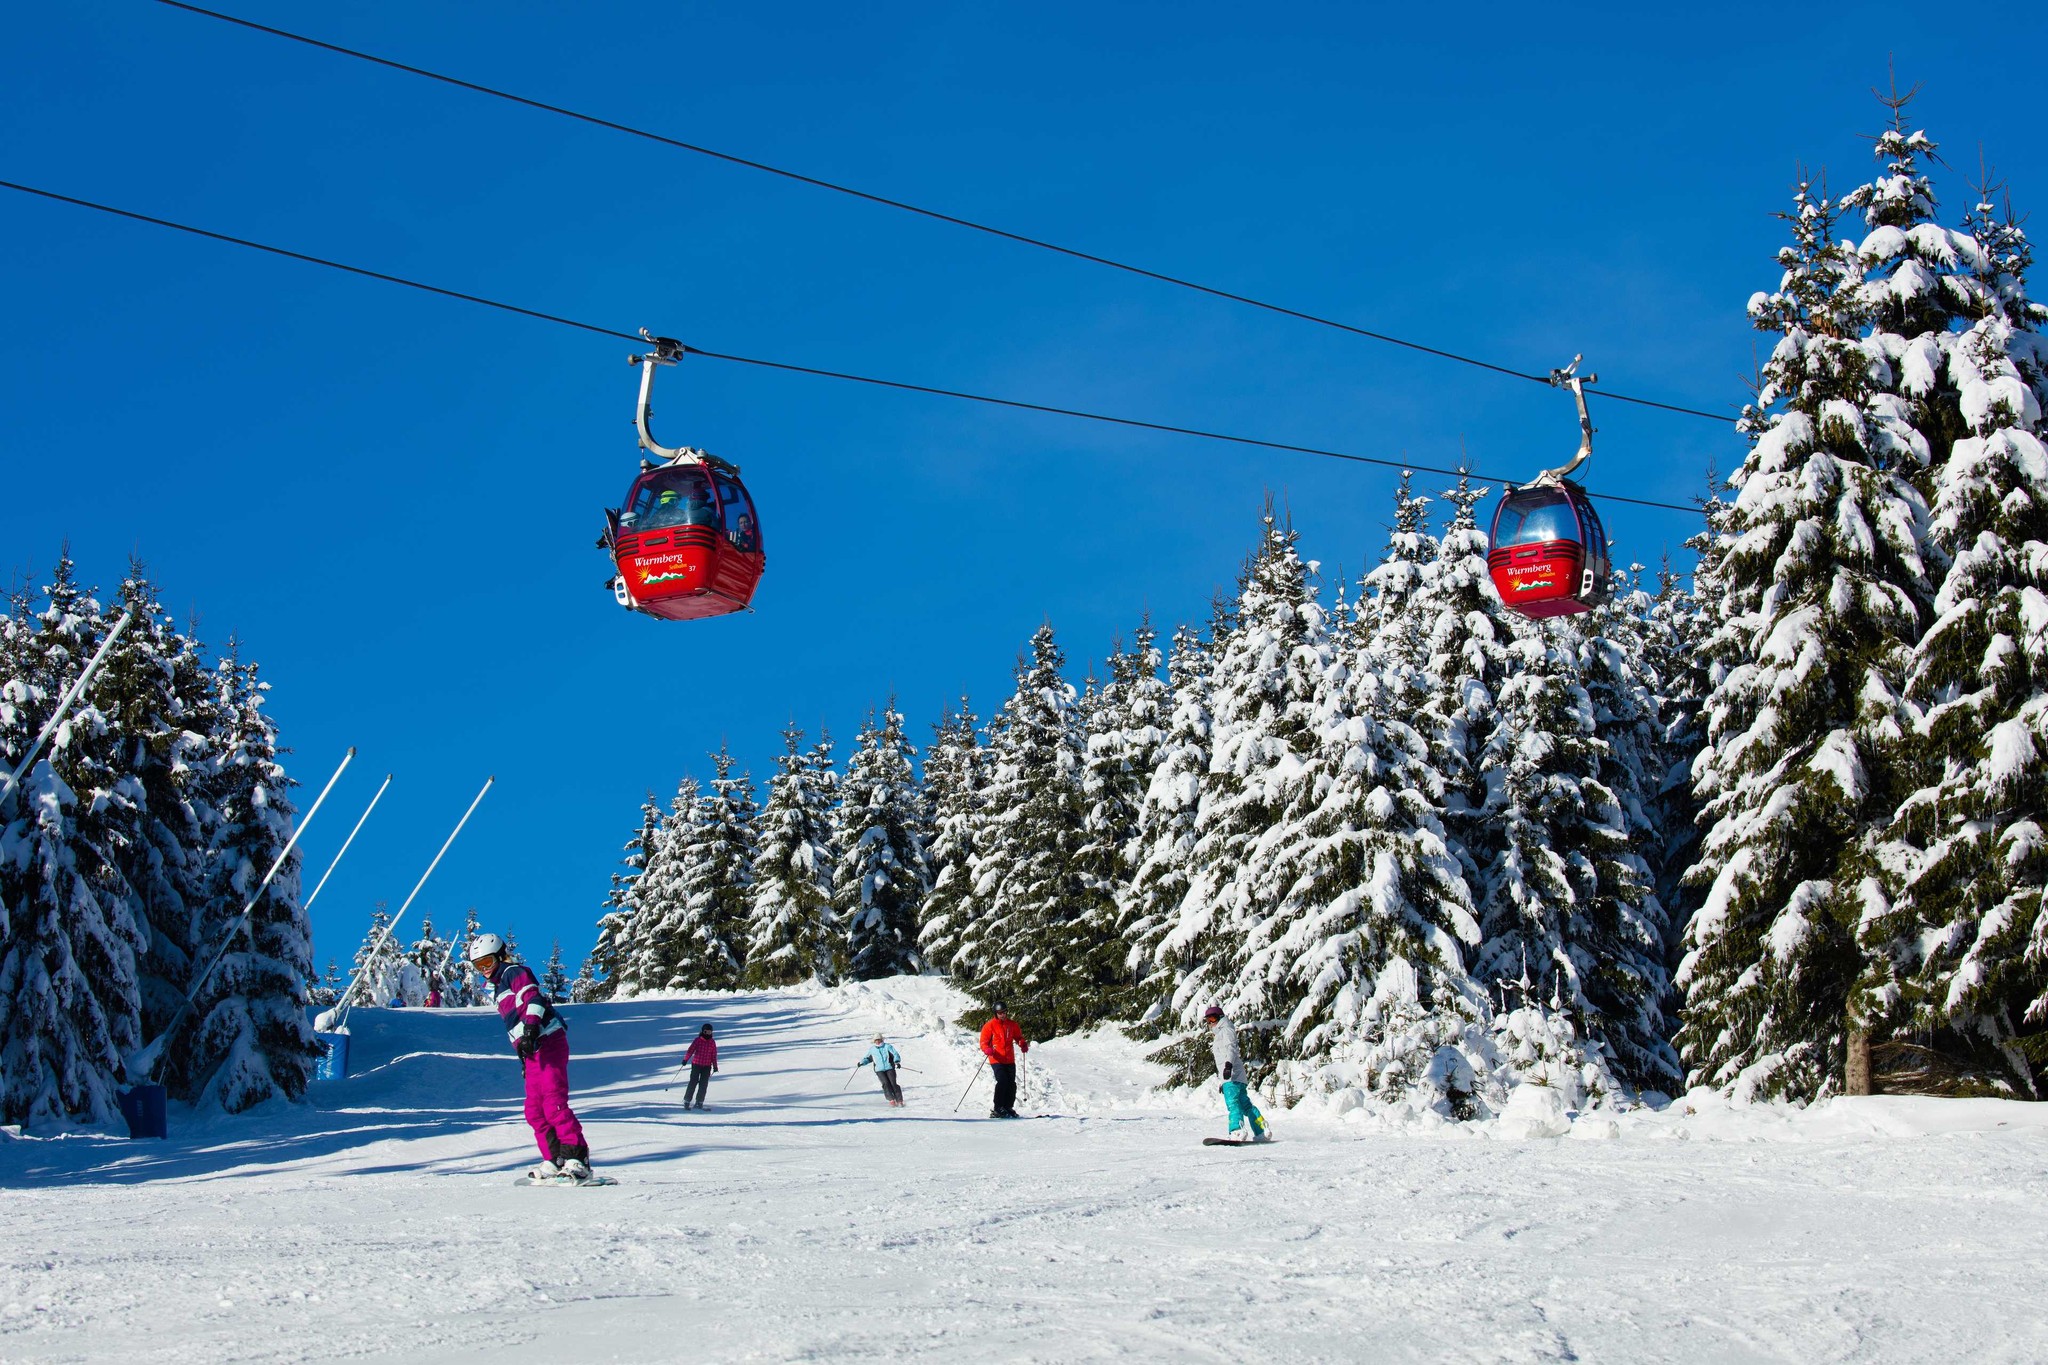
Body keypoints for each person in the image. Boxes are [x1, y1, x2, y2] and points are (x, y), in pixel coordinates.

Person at [469, 933, 594, 1181]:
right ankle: (555, 1159)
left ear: (500, 956)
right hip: (531, 1050)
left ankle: (577, 1159)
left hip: (547, 1039)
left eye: (488, 962)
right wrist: (522, 1054)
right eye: (478, 965)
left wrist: (531, 1028)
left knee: (553, 1102)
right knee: (534, 1110)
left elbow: (532, 998)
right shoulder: (497, 986)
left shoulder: (512, 972)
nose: (484, 969)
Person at [1204, 1004, 1269, 1142]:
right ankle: (1262, 1130)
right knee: (1246, 1105)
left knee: (1233, 1104)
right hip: (1235, 1075)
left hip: (1231, 1074)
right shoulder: (1224, 1031)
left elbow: (1231, 1049)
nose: (1211, 1022)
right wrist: (1223, 1080)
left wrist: (1228, 1067)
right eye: (1208, 1020)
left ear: (1220, 1017)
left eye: (1213, 1018)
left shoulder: (1225, 1030)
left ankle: (1237, 1131)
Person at [977, 1004, 1029, 1118]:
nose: (1003, 1015)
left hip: (1009, 1059)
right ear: (996, 1014)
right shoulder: (989, 1025)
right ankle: (998, 1108)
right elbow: (983, 1041)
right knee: (1002, 1081)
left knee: (1011, 1083)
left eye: (1004, 1012)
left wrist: (1023, 1044)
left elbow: (1019, 1037)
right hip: (996, 1059)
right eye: (1000, 1013)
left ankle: (1008, 1107)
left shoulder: (1012, 1025)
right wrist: (987, 1049)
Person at [855, 1034, 905, 1106]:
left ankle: (899, 1100)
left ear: (882, 1039)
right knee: (885, 1084)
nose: (877, 1041)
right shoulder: (872, 1049)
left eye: (879, 1040)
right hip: (879, 1070)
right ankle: (891, 1099)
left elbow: (895, 1054)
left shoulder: (887, 1046)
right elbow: (868, 1058)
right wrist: (862, 1063)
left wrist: (897, 1062)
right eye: (876, 1040)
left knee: (893, 1083)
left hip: (889, 1068)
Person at [681, 1024, 718, 1110]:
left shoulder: (712, 1042)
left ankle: (699, 1101)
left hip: (707, 1066)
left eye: (710, 1032)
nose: (708, 1034)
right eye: (706, 1032)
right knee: (693, 1082)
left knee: (703, 1084)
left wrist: (715, 1066)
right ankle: (687, 1100)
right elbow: (691, 1050)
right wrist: (685, 1059)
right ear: (703, 1031)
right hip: (696, 1064)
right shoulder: (698, 1040)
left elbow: (714, 1055)